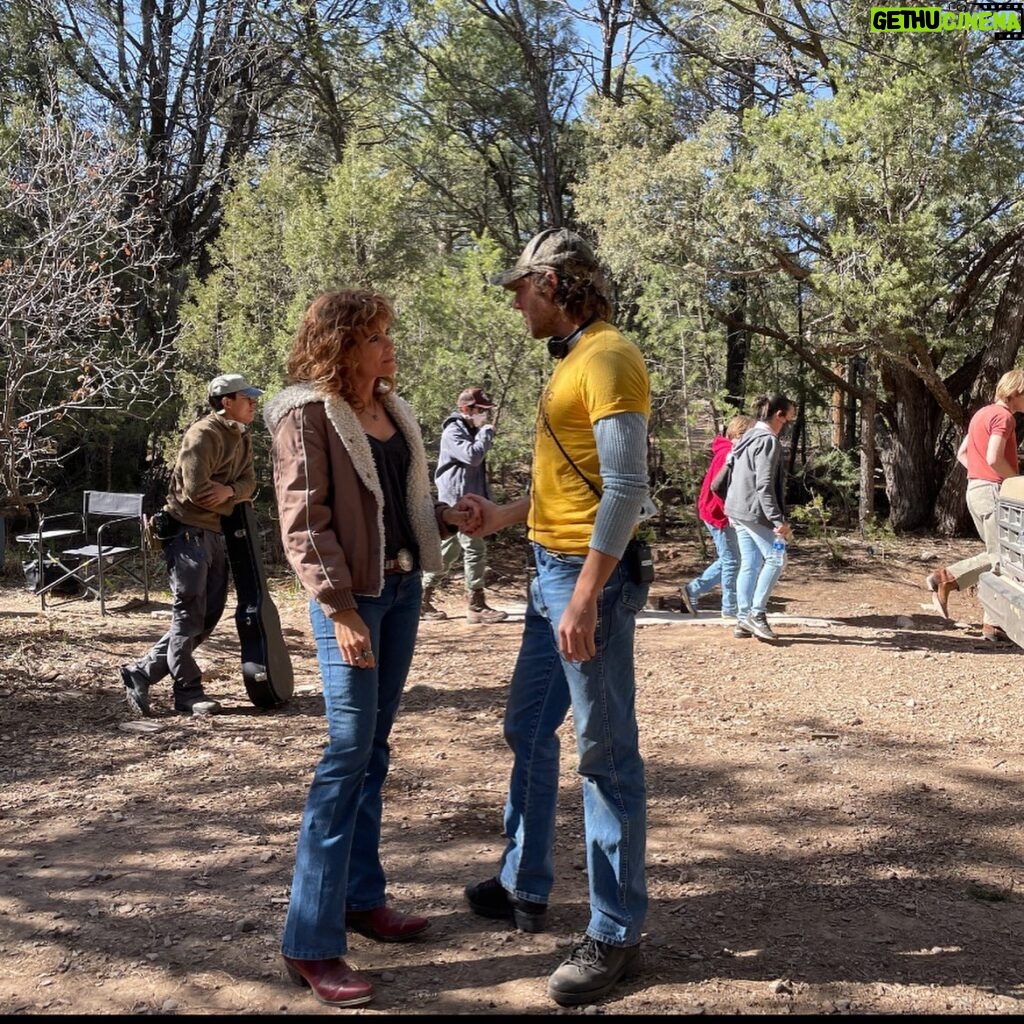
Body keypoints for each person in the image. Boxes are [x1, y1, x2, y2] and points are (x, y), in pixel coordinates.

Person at [459, 227, 653, 1008]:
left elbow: (626, 488)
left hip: (586, 583)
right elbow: (562, 491)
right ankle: (524, 886)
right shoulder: (574, 361)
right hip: (551, 573)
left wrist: (582, 597)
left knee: (605, 754)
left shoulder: (607, 358)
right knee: (526, 727)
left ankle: (614, 930)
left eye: (520, 287)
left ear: (555, 284)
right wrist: (499, 516)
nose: (513, 300)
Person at [263, 288, 473, 1009]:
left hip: (403, 592)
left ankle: (360, 898)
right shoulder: (306, 414)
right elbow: (304, 522)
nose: (390, 347)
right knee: (347, 753)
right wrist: (340, 609)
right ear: (341, 343)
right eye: (376, 336)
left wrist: (447, 517)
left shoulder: (395, 410)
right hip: (351, 603)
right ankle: (310, 941)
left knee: (375, 750)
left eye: (389, 333)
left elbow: (395, 508)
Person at [120, 372, 263, 717]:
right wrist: (235, 495)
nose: (254, 404)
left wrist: (229, 491)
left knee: (209, 614)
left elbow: (249, 483)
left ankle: (142, 671)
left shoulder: (241, 436)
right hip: (187, 534)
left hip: (213, 534)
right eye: (247, 399)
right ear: (227, 402)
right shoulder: (203, 435)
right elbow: (199, 492)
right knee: (188, 613)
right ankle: (187, 691)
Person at [926, 368, 1024, 641]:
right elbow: (993, 458)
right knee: (1004, 558)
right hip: (993, 492)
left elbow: (962, 453)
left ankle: (991, 624)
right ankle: (946, 581)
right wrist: (1015, 482)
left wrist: (980, 475)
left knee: (998, 556)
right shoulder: (1004, 417)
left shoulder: (981, 414)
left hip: (975, 490)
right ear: (1016, 393)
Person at [420, 385, 509, 624]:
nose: (485, 415)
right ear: (466, 409)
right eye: (481, 410)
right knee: (474, 549)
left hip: (466, 501)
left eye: (486, 411)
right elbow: (472, 456)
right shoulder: (454, 431)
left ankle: (422, 597)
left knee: (448, 553)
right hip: (458, 504)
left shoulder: (469, 429)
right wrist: (486, 433)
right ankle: (476, 606)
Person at [723, 393, 796, 643]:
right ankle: (756, 613)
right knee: (777, 558)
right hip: (754, 512)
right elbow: (763, 485)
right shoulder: (767, 440)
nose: (786, 425)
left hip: (737, 510)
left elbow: (734, 473)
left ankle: (743, 619)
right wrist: (778, 521)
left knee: (751, 563)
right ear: (778, 415)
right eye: (787, 420)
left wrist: (730, 509)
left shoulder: (747, 436)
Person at [681, 414, 755, 620]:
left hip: (721, 513)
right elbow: (718, 488)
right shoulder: (727, 455)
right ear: (739, 435)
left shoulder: (730, 451)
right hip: (718, 514)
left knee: (731, 559)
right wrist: (730, 513)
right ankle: (729, 609)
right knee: (732, 561)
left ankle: (692, 590)